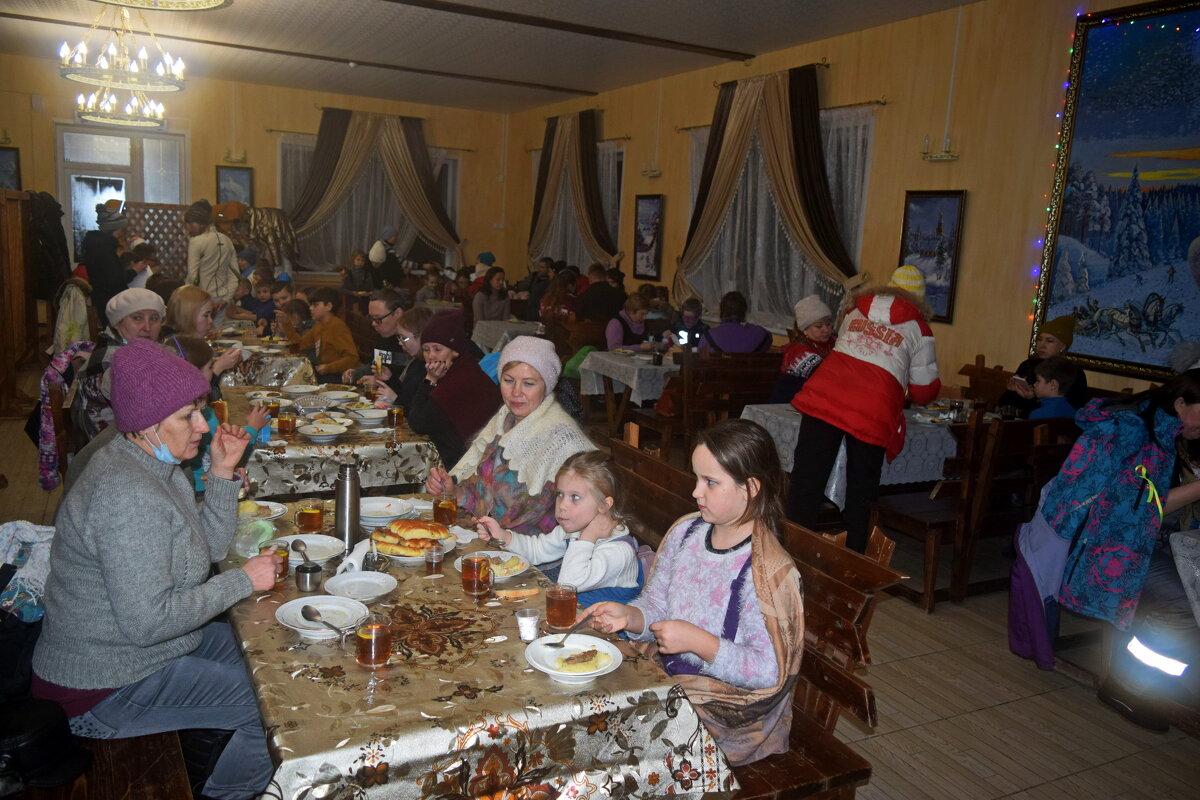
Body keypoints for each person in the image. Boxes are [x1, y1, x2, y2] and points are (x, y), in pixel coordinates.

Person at [32, 337, 278, 800]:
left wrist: (222, 474)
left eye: (199, 411)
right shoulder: (127, 493)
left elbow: (204, 549)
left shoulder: (155, 466)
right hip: (102, 683)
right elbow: (148, 621)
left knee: (266, 652)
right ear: (146, 424)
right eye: (187, 415)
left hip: (145, 650)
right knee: (269, 707)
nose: (203, 426)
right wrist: (242, 580)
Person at [586, 418, 804, 765]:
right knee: (585, 707)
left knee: (612, 745)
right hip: (672, 681)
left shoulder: (767, 573)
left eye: (710, 482)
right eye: (697, 478)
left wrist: (699, 642)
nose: (695, 492)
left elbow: (768, 674)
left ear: (749, 488)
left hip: (729, 715)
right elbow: (657, 602)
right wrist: (630, 615)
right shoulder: (687, 533)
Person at [1010, 371, 1200, 728]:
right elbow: (1135, 510)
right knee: (1183, 601)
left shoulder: (1165, 429)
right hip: (1094, 547)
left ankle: (1157, 682)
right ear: (1180, 403)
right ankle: (1128, 685)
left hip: (1123, 538)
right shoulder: (1130, 431)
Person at [788, 265, 940, 552]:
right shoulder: (920, 329)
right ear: (919, 299)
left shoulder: (855, 312)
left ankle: (793, 548)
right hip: (872, 408)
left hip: (826, 395)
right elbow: (923, 391)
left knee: (806, 480)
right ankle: (855, 559)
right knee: (861, 489)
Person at [425, 336, 594, 535]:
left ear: (546, 386)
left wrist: (489, 533)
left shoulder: (561, 440)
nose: (516, 392)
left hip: (533, 557)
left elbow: (546, 523)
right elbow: (483, 493)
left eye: (528, 383)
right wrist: (455, 492)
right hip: (492, 538)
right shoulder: (503, 422)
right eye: (509, 381)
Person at [475, 450, 642, 605]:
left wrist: (588, 538)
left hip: (604, 634)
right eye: (560, 494)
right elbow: (537, 550)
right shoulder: (576, 529)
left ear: (604, 506)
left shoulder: (619, 551)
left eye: (575, 497)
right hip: (573, 618)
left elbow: (568, 585)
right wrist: (504, 536)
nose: (562, 505)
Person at [406, 311, 502, 468]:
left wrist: (430, 380)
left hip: (474, 466)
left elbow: (418, 422)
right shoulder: (461, 369)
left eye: (437, 349)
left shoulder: (461, 378)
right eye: (426, 349)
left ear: (455, 350)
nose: (431, 356)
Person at [71, 288, 166, 444]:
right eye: (137, 318)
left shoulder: (127, 350)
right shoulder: (112, 364)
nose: (147, 327)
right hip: (115, 448)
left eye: (154, 319)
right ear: (117, 323)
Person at [998, 315, 1090, 415]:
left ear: (1063, 346)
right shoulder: (1028, 365)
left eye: (1049, 341)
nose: (1041, 345)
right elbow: (1004, 406)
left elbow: (1069, 413)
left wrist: (1032, 398)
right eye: (1039, 339)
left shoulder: (1073, 372)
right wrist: (1011, 390)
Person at [82, 203, 142, 329]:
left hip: (103, 298)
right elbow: (115, 280)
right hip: (109, 301)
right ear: (116, 228)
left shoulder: (97, 245)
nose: (123, 231)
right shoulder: (104, 250)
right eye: (122, 228)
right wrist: (135, 270)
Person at [282, 287, 359, 382]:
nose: (310, 308)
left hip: (336, 375)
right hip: (323, 371)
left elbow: (352, 358)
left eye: (315, 305)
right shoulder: (319, 325)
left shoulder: (337, 326)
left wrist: (328, 367)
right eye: (311, 305)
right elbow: (300, 345)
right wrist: (286, 324)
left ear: (329, 306)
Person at [769, 294, 835, 403]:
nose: (826, 330)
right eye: (818, 326)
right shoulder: (800, 353)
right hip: (788, 406)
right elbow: (827, 381)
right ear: (805, 330)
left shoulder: (833, 343)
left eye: (828, 324)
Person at [343, 288, 408, 386]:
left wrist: (380, 382)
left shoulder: (412, 342)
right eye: (371, 318)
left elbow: (413, 384)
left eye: (378, 318)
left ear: (397, 313)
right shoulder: (383, 337)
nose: (373, 324)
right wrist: (356, 373)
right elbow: (375, 366)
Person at [373, 305, 434, 410]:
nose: (400, 342)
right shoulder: (416, 362)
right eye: (399, 337)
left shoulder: (431, 369)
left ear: (422, 336)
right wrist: (390, 378)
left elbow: (417, 411)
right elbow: (405, 392)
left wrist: (394, 398)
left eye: (404, 338)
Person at [184, 199, 238, 307]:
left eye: (190, 224)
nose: (189, 229)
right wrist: (226, 300)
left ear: (202, 223)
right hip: (222, 299)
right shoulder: (227, 240)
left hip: (201, 299)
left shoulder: (196, 241)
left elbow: (193, 277)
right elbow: (235, 276)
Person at [700, 292, 772, 354]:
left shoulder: (708, 336)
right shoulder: (759, 334)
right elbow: (768, 338)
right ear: (744, 311)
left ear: (722, 311)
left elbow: (701, 360)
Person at [1028, 356, 1081, 420]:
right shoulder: (1074, 413)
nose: (1034, 384)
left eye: (1038, 381)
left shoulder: (1037, 415)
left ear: (1053, 385)